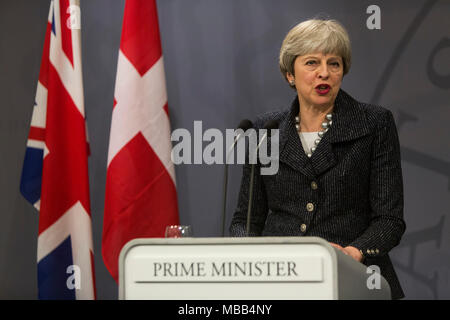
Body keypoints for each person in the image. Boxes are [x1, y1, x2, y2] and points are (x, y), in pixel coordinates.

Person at [229, 19, 406, 299]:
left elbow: (389, 221)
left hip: (354, 283)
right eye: (312, 63)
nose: (324, 73)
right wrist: (253, 260)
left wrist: (353, 252)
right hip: (280, 285)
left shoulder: (374, 124)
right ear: (290, 73)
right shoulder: (265, 131)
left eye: (334, 64)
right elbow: (244, 221)